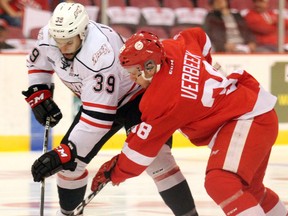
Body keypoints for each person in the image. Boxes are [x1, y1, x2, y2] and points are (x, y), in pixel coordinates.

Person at [23, 2, 197, 216]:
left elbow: (98, 120)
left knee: (158, 160)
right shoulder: (48, 36)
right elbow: (39, 62)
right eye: (58, 41)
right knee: (70, 168)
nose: (62, 48)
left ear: (83, 33)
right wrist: (38, 91)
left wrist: (63, 152)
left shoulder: (100, 55)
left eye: (69, 42)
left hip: (137, 99)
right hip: (97, 104)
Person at [91, 28, 288, 216]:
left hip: (246, 118)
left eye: (134, 71)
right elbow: (199, 36)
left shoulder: (160, 100)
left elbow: (141, 151)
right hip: (253, 110)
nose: (131, 77)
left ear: (150, 67)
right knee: (251, 190)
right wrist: (204, 70)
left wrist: (115, 172)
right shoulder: (172, 48)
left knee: (221, 182)